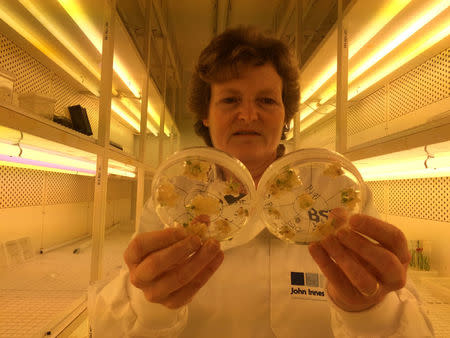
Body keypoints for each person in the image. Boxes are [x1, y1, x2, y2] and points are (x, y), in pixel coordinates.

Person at [89, 27, 433, 337]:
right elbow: (110, 328)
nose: (249, 115)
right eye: (230, 99)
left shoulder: (336, 194)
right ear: (205, 116)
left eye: (267, 100)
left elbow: (408, 326)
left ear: (286, 115)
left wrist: (371, 311)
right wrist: (149, 305)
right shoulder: (174, 200)